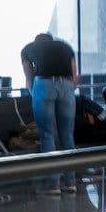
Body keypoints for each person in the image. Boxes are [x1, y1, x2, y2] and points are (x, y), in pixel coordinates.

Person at [20, 30, 78, 191]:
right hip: (66, 86)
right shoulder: (65, 47)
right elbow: (75, 77)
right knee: (67, 134)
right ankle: (71, 183)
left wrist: (35, 93)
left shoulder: (28, 48)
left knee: (47, 134)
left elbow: (28, 77)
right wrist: (67, 89)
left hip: (44, 84)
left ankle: (54, 185)